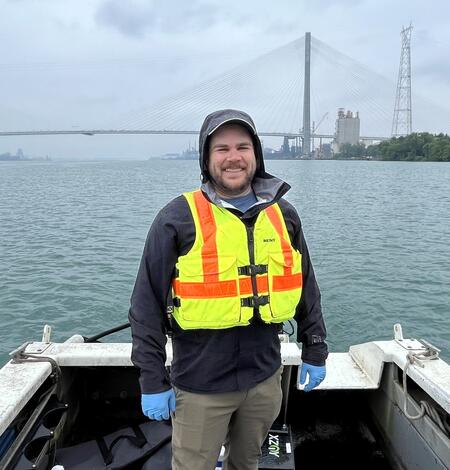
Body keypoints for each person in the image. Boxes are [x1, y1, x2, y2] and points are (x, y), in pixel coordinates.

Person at [129, 109, 328, 470]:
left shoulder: (285, 215)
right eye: (221, 149)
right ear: (206, 158)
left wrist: (315, 347)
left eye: (243, 146)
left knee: (247, 462)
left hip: (265, 379)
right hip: (200, 385)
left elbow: (306, 288)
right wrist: (152, 378)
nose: (233, 157)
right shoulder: (176, 218)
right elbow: (146, 307)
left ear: (256, 154)